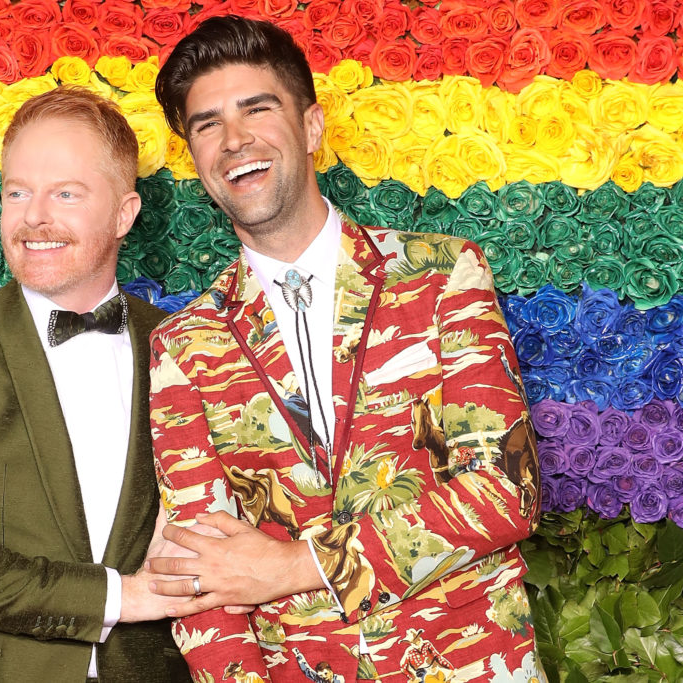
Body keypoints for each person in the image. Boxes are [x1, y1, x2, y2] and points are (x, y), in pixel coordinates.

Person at [145, 15, 545, 683]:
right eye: (206, 124)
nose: (234, 138)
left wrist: (295, 565)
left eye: (257, 108)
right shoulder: (183, 344)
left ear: (310, 126)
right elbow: (198, 574)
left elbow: (507, 490)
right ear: (194, 159)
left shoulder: (443, 275)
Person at [0, 87, 190, 682]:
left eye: (66, 194)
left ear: (125, 214)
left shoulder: (187, 347)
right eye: (17, 192)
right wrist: (124, 597)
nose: (33, 217)